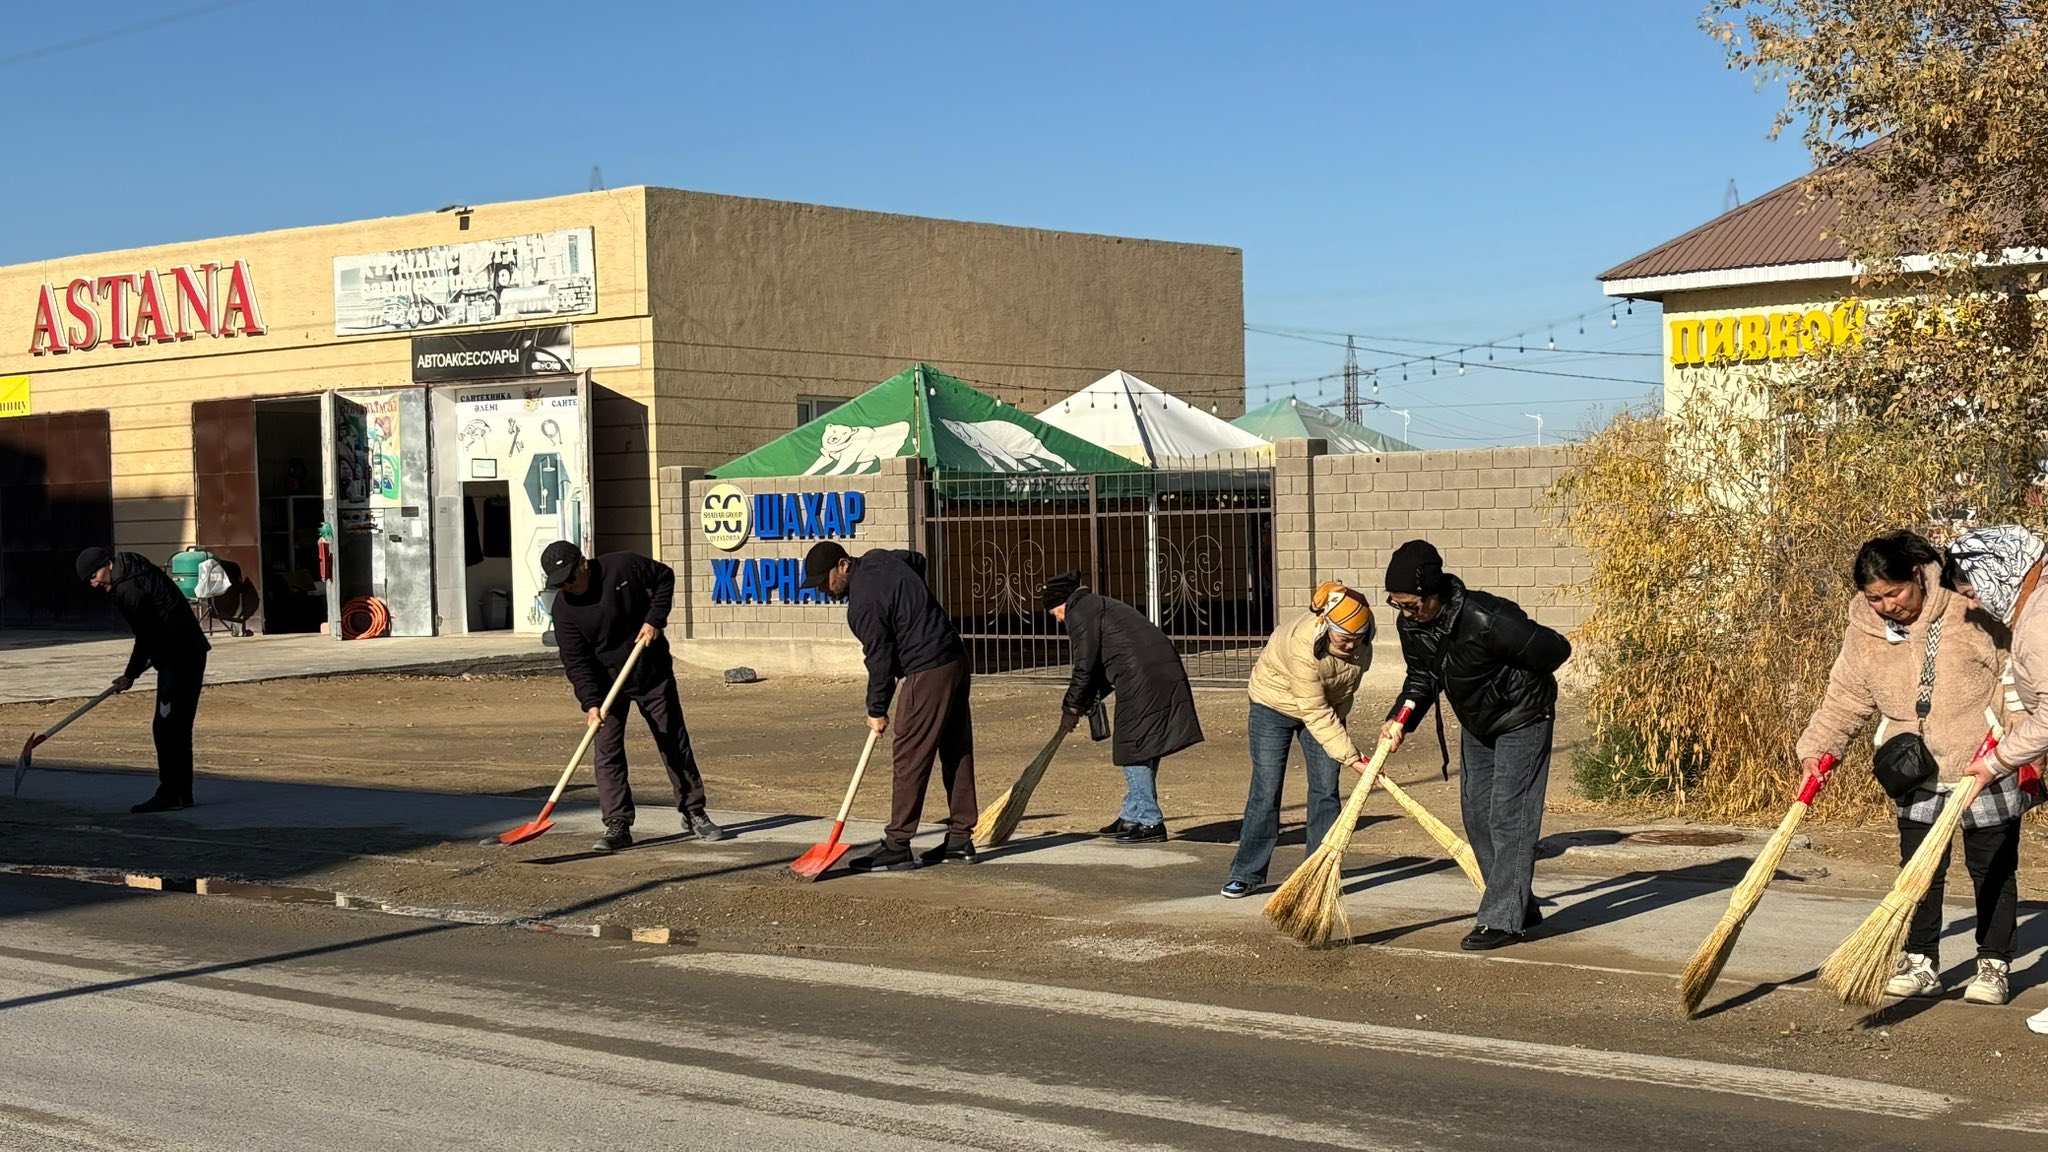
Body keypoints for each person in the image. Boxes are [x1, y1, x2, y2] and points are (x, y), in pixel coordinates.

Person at [1797, 530, 2023, 1004]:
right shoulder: (1864, 632)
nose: (1887, 606)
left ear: (1918, 576)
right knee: (1919, 870)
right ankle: (1921, 960)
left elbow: (2014, 674)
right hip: (1913, 766)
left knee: (1992, 869)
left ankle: (1993, 963)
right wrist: (1819, 749)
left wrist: (2016, 740)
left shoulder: (1969, 606)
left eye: (1894, 592)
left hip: (1984, 759)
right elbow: (1846, 698)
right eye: (1874, 597)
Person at [1379, 539, 1570, 951]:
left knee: (1509, 815)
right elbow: (1421, 678)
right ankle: (1519, 904)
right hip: (1477, 723)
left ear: (1436, 593)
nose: (1407, 613)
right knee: (1476, 815)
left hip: (1523, 717)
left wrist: (1513, 683)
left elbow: (1556, 648)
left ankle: (1501, 919)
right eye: (1399, 606)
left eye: (1412, 604)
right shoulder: (1411, 625)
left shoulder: (1488, 617)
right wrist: (1400, 720)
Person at [801, 540, 977, 871]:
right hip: (955, 657)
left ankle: (897, 844)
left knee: (910, 754)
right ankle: (959, 838)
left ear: (842, 565)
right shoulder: (880, 559)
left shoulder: (862, 604)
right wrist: (916, 611)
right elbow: (918, 560)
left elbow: (880, 661)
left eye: (825, 582)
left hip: (927, 669)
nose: (824, 591)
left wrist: (876, 709)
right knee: (956, 750)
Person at [541, 541, 722, 853]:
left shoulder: (622, 566)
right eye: (560, 584)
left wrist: (654, 619)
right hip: (606, 683)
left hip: (651, 671)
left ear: (583, 563)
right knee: (607, 751)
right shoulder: (564, 610)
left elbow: (665, 577)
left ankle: (693, 811)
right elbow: (577, 662)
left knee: (673, 741)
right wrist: (591, 703)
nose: (568, 587)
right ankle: (617, 824)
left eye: (571, 579)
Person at [1221, 580, 1375, 899]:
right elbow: (1314, 710)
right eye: (1345, 638)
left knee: (1325, 788)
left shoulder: (1363, 640)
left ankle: (1317, 873)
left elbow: (1342, 693)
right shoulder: (1303, 645)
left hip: (1324, 710)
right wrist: (1352, 757)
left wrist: (1341, 743)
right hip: (1273, 704)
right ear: (1326, 624)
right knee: (1266, 788)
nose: (1351, 645)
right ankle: (1246, 872)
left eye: (1357, 639)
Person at [1040, 571, 1204, 844]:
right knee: (1144, 744)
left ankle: (1151, 822)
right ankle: (1132, 815)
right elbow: (1106, 659)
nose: (1057, 618)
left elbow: (1084, 667)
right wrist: (1082, 704)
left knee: (1133, 746)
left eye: (1054, 612)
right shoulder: (1097, 605)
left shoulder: (1079, 614)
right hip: (1159, 674)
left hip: (1143, 679)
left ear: (1062, 603)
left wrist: (1070, 709)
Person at [75, 547, 211, 813]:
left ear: (108, 564)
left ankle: (172, 793)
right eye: (89, 580)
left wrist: (130, 675)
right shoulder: (132, 565)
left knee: (168, 728)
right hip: (183, 650)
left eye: (95, 575)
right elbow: (157, 623)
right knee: (175, 727)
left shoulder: (128, 590)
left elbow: (146, 635)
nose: (94, 583)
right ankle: (181, 793)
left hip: (180, 657)